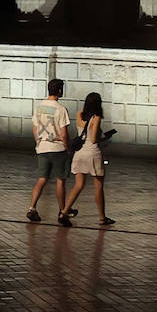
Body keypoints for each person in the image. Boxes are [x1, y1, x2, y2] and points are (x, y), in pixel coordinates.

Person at [60, 93, 114, 227]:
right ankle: (102, 217)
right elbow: (94, 138)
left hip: (79, 153)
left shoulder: (79, 114)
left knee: (78, 185)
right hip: (92, 153)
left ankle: (64, 212)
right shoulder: (97, 117)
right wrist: (105, 138)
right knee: (98, 187)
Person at [27, 78, 75, 223]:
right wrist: (67, 148)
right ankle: (62, 212)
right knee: (60, 179)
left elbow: (35, 128)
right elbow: (64, 133)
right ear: (60, 91)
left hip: (42, 147)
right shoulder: (61, 109)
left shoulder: (39, 107)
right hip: (57, 148)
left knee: (42, 178)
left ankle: (32, 208)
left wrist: (38, 143)